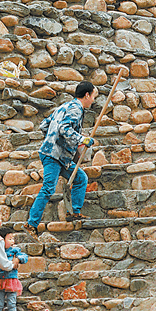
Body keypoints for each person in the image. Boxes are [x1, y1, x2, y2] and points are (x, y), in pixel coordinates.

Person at [24, 80, 97, 235]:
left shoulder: (63, 107)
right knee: (48, 188)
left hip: (60, 156)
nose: (93, 100)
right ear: (87, 95)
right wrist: (80, 139)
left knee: (80, 178)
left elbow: (44, 125)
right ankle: (31, 224)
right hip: (53, 156)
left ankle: (73, 212)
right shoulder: (76, 109)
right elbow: (64, 128)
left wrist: (55, 140)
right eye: (93, 96)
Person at [0, 225, 28, 311]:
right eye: (10, 239)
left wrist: (18, 259)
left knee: (12, 302)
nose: (13, 241)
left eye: (13, 239)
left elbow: (24, 256)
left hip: (11, 280)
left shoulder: (14, 250)